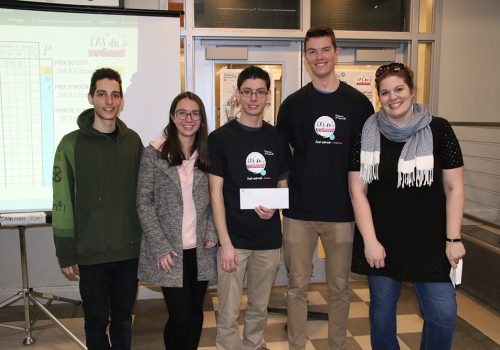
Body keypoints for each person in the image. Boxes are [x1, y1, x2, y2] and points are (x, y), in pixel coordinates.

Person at [348, 62, 466, 350]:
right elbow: (357, 191)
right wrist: (370, 241)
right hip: (383, 240)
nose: (393, 97)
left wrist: (453, 238)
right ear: (379, 97)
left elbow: (455, 187)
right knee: (382, 315)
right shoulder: (366, 133)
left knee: (443, 314)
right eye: (385, 92)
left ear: (412, 91)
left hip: (430, 241)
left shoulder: (439, 129)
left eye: (399, 89)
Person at [276, 25, 374, 350]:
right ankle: (296, 346)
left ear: (336, 52)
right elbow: (281, 160)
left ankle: (337, 346)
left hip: (342, 212)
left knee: (340, 289)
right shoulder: (292, 105)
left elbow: (366, 161)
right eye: (312, 51)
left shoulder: (359, 105)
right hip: (298, 213)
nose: (319, 57)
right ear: (306, 56)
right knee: (296, 287)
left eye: (325, 49)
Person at [52, 68, 143, 350]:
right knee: (94, 322)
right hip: (89, 252)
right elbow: (62, 200)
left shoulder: (133, 142)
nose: (109, 101)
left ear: (121, 99)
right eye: (102, 94)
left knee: (123, 320)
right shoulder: (70, 144)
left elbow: (144, 196)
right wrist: (66, 251)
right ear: (91, 97)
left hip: (127, 251)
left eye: (115, 95)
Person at [208, 65, 291, 350]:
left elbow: (283, 184)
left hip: (268, 240)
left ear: (268, 95)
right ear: (238, 95)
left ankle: (255, 345)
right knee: (228, 310)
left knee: (260, 305)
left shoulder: (277, 138)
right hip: (235, 242)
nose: (253, 98)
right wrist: (226, 243)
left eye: (259, 92)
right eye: (247, 92)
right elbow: (215, 194)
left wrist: (275, 208)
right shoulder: (220, 139)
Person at [136, 92, 217, 350]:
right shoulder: (154, 152)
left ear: (201, 119)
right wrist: (159, 246)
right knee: (180, 315)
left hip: (200, 248)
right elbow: (143, 202)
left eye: (194, 113)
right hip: (170, 250)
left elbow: (217, 199)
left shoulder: (207, 154)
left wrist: (212, 233)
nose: (188, 119)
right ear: (172, 117)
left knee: (195, 313)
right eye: (182, 113)